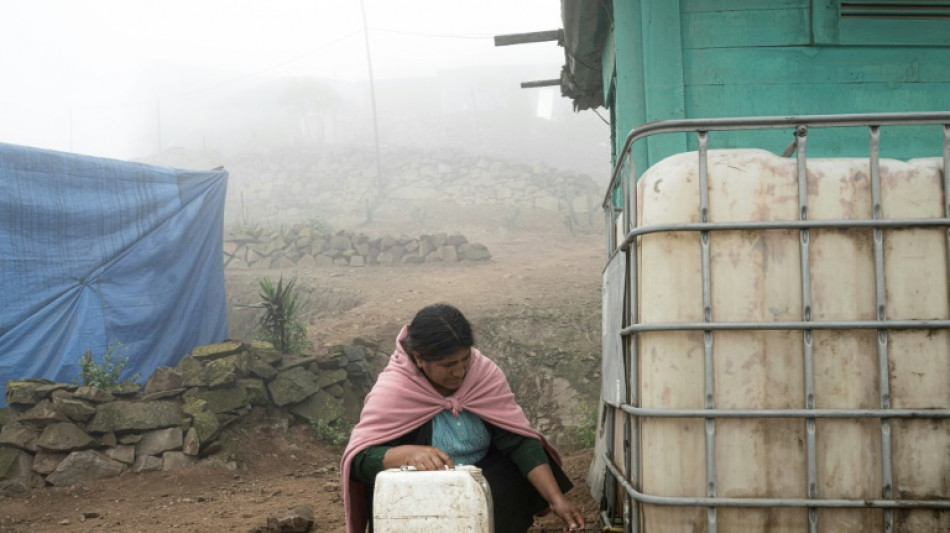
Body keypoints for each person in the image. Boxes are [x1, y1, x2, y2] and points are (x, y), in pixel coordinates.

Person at [341, 303, 586, 533]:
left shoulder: (483, 374)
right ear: (419, 358)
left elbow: (518, 440)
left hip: (483, 489)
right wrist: (405, 454)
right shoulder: (395, 390)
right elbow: (358, 461)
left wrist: (557, 500)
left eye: (465, 359)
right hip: (422, 498)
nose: (460, 371)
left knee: (507, 474)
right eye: (448, 365)